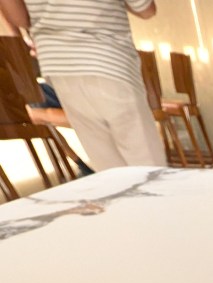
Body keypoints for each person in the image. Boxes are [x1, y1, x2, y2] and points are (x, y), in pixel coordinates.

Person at [0, 0, 167, 171]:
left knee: (109, 167)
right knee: (147, 163)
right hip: (107, 59)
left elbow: (19, 18)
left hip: (60, 66)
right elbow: (146, 10)